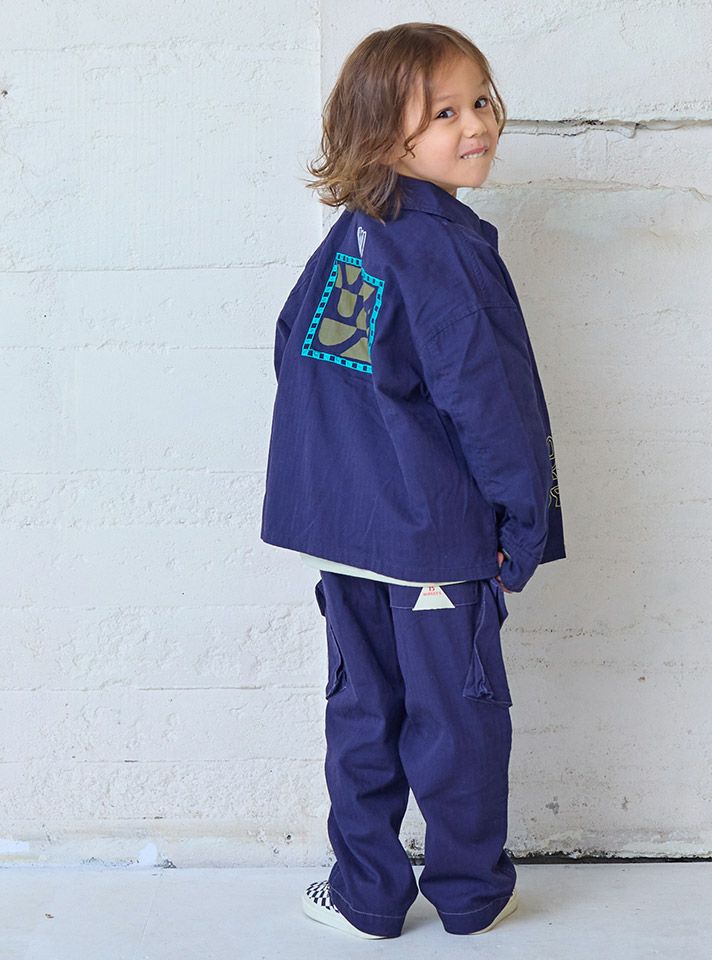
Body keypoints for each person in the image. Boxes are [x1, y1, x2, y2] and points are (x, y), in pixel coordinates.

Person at [260, 22, 566, 939]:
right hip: (431, 541)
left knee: (363, 714)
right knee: (456, 720)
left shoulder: (360, 237)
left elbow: (301, 354)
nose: (476, 125)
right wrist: (522, 523)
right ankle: (470, 896)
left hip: (348, 536)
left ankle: (367, 897)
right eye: (443, 113)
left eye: (480, 101)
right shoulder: (443, 252)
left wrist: (353, 476)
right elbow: (490, 402)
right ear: (385, 138)